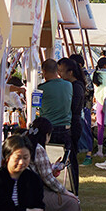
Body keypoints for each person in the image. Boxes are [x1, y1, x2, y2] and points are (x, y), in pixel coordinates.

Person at [27, 117, 84, 211]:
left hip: (31, 191)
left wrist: (52, 168)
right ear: (46, 134)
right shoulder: (38, 148)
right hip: (37, 193)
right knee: (73, 203)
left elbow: (41, 171)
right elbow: (47, 178)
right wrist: (66, 192)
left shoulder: (30, 144)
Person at [0, 134, 44, 211]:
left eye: (25, 157)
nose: (21, 162)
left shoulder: (34, 179)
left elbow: (39, 207)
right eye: (17, 158)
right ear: (7, 157)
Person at [38, 59, 75, 193]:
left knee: (49, 163)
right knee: (64, 163)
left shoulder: (41, 89)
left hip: (49, 130)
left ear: (44, 72)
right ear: (57, 71)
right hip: (65, 128)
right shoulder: (68, 85)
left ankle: (51, 189)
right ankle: (67, 188)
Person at [57, 57, 85, 192]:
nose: (59, 74)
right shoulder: (74, 86)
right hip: (72, 122)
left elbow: (73, 108)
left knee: (71, 158)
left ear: (70, 72)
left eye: (61, 71)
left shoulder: (76, 87)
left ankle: (74, 189)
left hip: (73, 124)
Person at [69, 54, 95, 166]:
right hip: (80, 107)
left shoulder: (84, 75)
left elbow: (89, 90)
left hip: (84, 107)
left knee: (86, 130)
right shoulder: (79, 75)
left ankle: (89, 155)